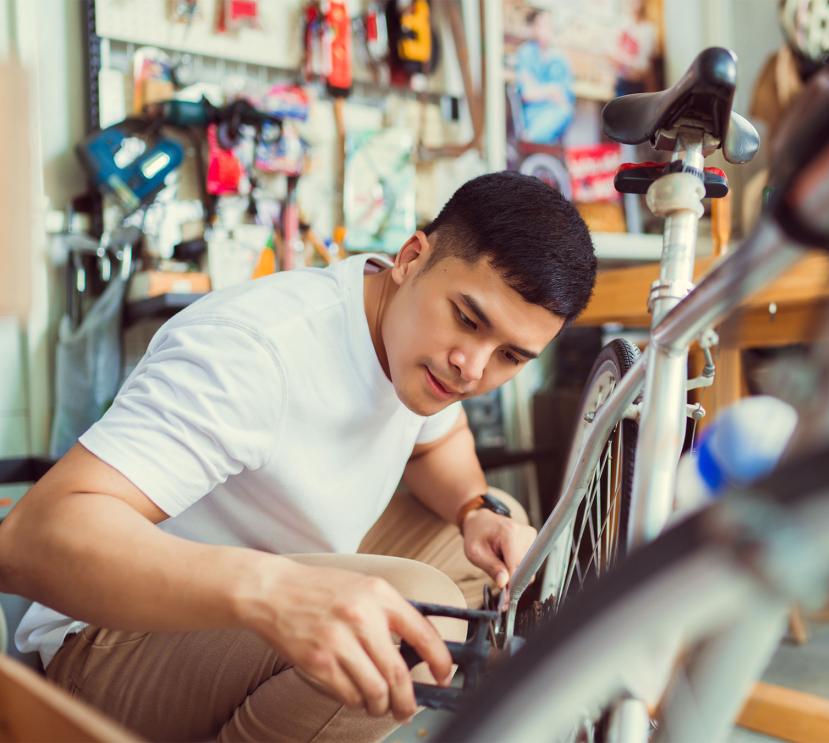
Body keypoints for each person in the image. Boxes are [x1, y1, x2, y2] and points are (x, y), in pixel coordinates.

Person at [0, 172, 598, 741]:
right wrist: (276, 591)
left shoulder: (417, 341)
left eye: (510, 358)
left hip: (271, 572)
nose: (473, 368)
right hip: (109, 641)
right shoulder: (255, 351)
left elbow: (438, 442)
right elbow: (27, 542)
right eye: (468, 320)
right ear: (412, 258)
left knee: (494, 541)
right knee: (399, 631)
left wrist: (476, 509)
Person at [514, 8, 575, 144]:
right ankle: (529, 141)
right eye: (541, 25)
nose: (546, 29)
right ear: (534, 28)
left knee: (564, 112)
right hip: (531, 115)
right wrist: (551, 90)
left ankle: (530, 140)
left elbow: (564, 100)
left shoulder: (560, 59)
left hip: (555, 114)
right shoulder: (526, 53)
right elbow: (527, 94)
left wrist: (539, 90)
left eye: (549, 25)